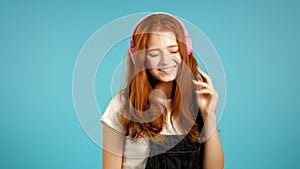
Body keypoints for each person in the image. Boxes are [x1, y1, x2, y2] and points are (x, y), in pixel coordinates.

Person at [101, 12, 224, 169]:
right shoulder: (121, 106)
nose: (165, 61)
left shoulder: (197, 104)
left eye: (173, 50)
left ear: (186, 51)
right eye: (153, 53)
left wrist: (209, 115)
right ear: (139, 58)